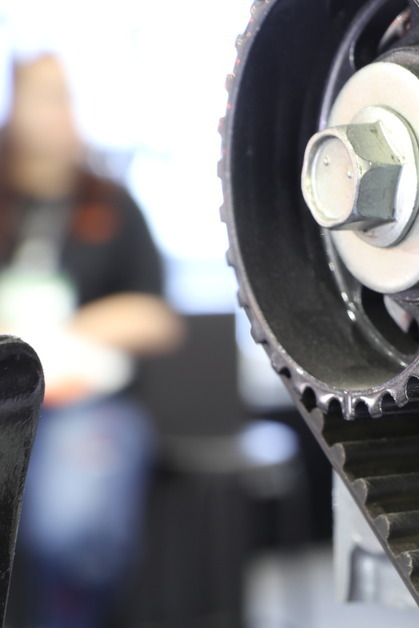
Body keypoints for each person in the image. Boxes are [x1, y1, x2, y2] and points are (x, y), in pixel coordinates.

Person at [0, 53, 182, 628]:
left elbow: (159, 318)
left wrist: (70, 331)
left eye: (65, 98)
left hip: (87, 404)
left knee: (76, 524)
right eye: (44, 97)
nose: (60, 113)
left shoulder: (112, 204)